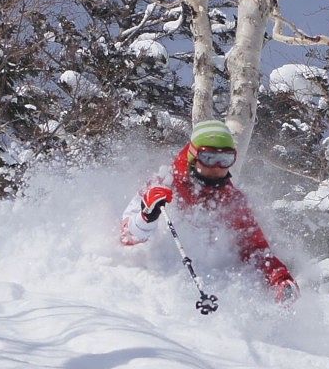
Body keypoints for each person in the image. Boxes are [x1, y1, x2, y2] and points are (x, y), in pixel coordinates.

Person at [120, 119, 299, 304]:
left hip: (212, 294)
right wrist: (146, 217)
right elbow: (126, 238)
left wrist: (279, 280)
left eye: (225, 159)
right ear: (193, 156)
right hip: (158, 291)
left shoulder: (232, 201)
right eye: (209, 158)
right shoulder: (164, 184)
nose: (216, 167)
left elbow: (255, 250)